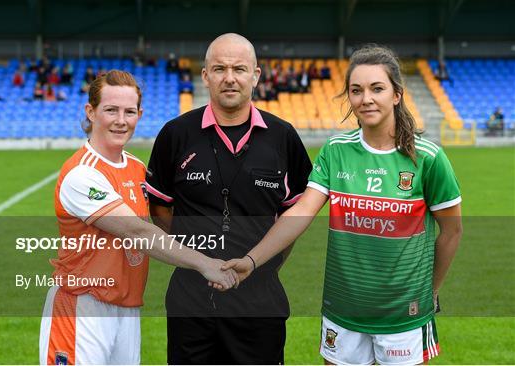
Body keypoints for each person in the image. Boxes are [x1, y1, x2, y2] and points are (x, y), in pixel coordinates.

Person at [224, 45, 463, 365]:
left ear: (396, 95)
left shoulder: (428, 158)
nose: (366, 99)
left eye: (377, 88)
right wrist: (251, 261)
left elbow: (451, 232)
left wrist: (430, 291)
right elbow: (301, 211)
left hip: (404, 314)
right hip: (343, 310)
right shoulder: (336, 151)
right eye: (356, 90)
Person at [39, 70, 238, 365]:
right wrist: (206, 264)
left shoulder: (137, 168)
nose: (121, 120)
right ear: (90, 112)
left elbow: (166, 217)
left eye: (129, 111)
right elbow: (138, 233)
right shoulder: (82, 173)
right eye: (111, 110)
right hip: (83, 306)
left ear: (140, 114)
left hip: (127, 307)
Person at [146, 33, 312, 364]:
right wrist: (197, 258)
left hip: (260, 304)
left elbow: (293, 217)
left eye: (239, 68)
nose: (230, 77)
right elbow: (160, 210)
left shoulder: (283, 137)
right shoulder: (175, 134)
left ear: (256, 75)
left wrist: (262, 261)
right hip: (190, 304)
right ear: (205, 75)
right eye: (219, 68)